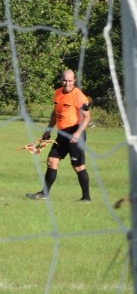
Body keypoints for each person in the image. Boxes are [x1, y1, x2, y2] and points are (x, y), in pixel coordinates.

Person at [27, 68, 92, 202]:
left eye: (69, 81)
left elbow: (87, 117)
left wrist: (78, 133)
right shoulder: (57, 93)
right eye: (64, 80)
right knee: (51, 161)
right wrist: (48, 129)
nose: (67, 83)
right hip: (61, 134)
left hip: (75, 133)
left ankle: (86, 198)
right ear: (60, 80)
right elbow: (55, 113)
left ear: (74, 81)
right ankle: (44, 194)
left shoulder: (79, 96)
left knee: (78, 166)